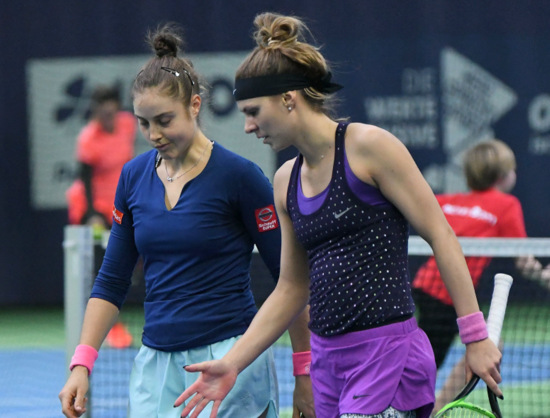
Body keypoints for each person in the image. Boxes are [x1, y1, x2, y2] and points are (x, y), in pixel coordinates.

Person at [174, 12, 503, 418]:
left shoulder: (370, 147)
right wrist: (232, 363)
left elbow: (441, 235)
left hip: (387, 357)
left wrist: (474, 335)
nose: (247, 126)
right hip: (328, 364)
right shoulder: (284, 181)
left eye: (254, 111)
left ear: (288, 99)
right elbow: (292, 288)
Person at [58, 23, 313, 418]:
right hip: (156, 367)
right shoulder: (132, 176)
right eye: (143, 123)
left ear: (195, 105)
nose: (153, 134)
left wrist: (304, 374)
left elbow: (291, 282)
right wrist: (81, 363)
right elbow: (111, 280)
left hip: (233, 360)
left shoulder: (240, 177)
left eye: (164, 120)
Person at [410, 139, 550, 413]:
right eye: (513, 169)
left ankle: (434, 406)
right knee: (422, 365)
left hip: (423, 286)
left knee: (480, 345)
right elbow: (523, 260)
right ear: (503, 176)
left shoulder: (448, 200)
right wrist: (544, 277)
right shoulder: (506, 205)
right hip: (445, 296)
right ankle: (418, 408)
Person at [65, 84, 137, 348]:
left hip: (121, 203)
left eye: (112, 105)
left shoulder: (128, 124)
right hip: (90, 207)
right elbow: (84, 179)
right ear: (95, 110)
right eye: (102, 107)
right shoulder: (87, 137)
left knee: (135, 264)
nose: (108, 111)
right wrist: (91, 214)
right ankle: (109, 328)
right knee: (103, 270)